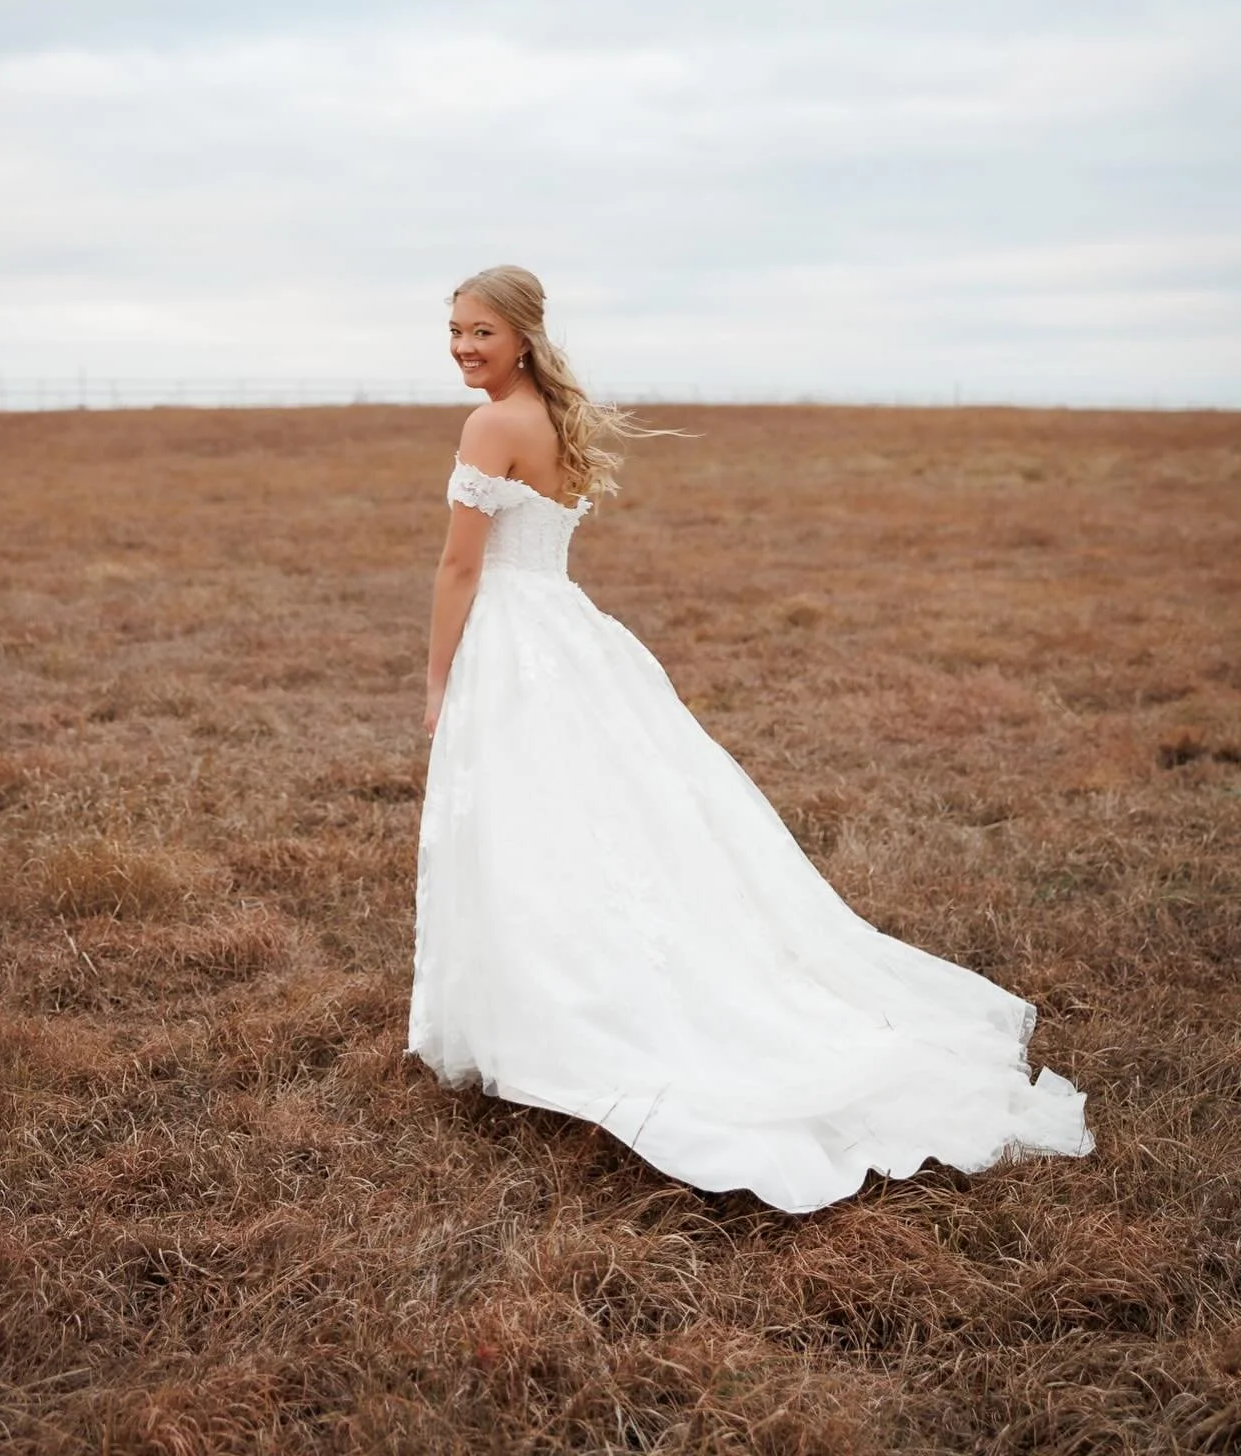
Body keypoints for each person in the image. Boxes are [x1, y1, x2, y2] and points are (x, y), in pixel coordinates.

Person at [406, 264, 1094, 1214]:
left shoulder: (491, 426)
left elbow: (459, 566)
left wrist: (438, 678)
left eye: (480, 331)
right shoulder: (553, 418)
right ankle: (553, 1004)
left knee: (533, 825)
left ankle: (562, 1019)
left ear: (523, 336)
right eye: (454, 330)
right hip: (566, 633)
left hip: (517, 640)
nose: (462, 347)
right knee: (584, 823)